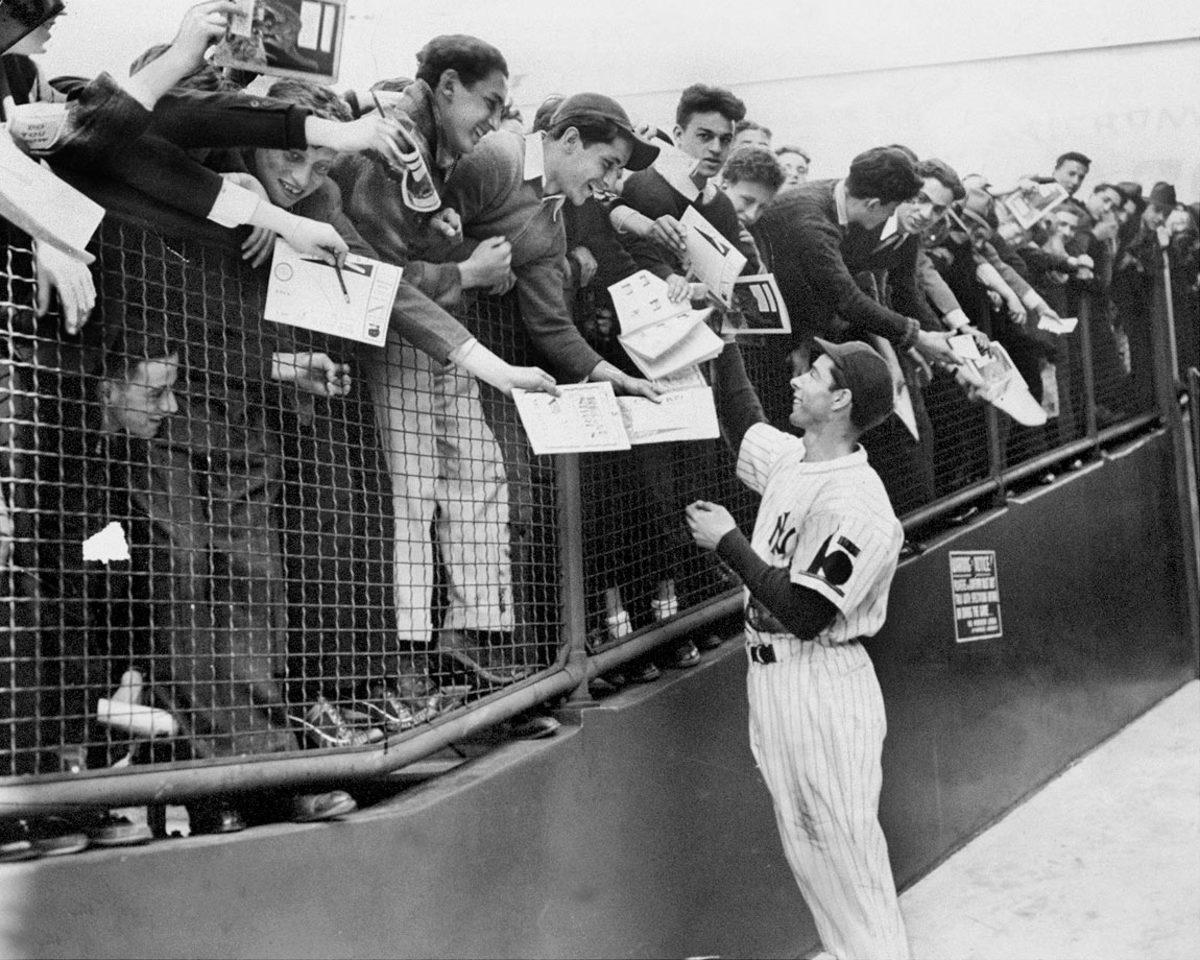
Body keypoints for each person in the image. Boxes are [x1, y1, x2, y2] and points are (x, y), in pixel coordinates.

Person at [686, 337, 909, 959]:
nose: (797, 380)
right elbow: (742, 419)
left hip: (825, 682)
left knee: (847, 856)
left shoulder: (859, 503)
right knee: (812, 853)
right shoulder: (795, 458)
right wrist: (718, 335)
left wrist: (729, 542)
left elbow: (808, 613)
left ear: (839, 400)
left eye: (812, 374)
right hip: (776, 682)